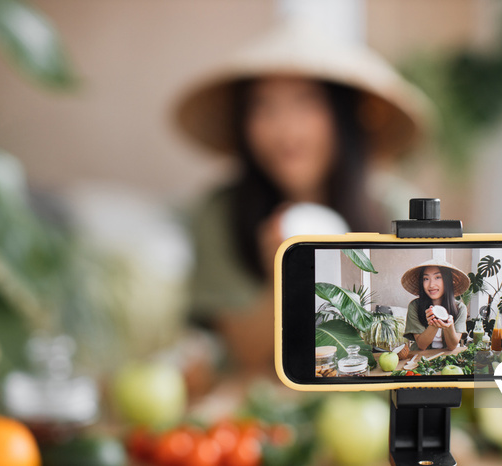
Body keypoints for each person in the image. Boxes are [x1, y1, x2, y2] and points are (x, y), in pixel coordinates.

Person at [173, 21, 428, 372]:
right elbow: (244, 355)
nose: (285, 128)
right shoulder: (221, 214)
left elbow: (406, 348)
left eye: (306, 102)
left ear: (345, 115)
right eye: (263, 106)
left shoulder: (397, 210)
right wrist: (288, 276)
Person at [400, 259, 470, 351]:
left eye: (437, 277)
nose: (431, 285)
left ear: (447, 281)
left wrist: (449, 325)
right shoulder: (415, 306)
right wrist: (433, 324)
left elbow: (452, 346)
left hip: (447, 359)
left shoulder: (460, 308)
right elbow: (421, 345)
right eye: (426, 279)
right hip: (420, 359)